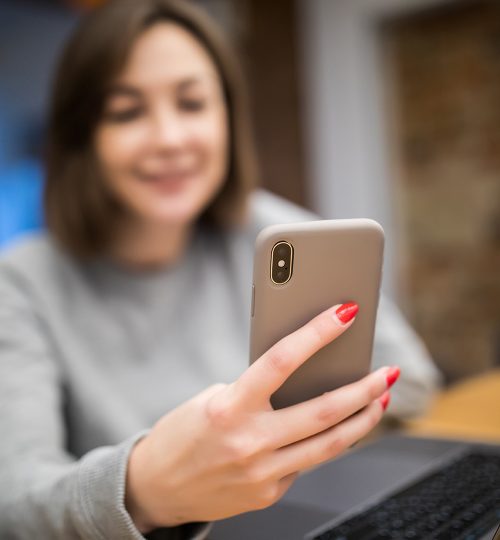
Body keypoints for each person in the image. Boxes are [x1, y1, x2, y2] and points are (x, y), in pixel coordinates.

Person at [0, 1, 441, 538]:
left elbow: (412, 379)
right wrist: (141, 490)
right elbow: (15, 502)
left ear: (227, 117)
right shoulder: (21, 283)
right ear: (81, 136)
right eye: (126, 111)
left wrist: (295, 449)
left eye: (192, 104)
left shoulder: (267, 228)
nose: (168, 138)